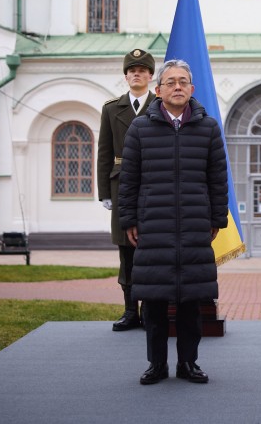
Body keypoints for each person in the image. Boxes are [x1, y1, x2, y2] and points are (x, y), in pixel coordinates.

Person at [117, 59, 230, 385]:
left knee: (191, 302)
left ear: (192, 89)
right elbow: (129, 179)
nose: (177, 87)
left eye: (183, 82)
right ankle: (156, 365)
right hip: (153, 226)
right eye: (171, 82)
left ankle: (188, 364)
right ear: (158, 90)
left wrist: (216, 219)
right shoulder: (140, 128)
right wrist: (128, 219)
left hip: (195, 227)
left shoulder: (207, 127)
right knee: (153, 304)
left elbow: (217, 178)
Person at [97, 48, 155, 331]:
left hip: (155, 185)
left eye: (142, 70)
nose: (137, 74)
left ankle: (152, 311)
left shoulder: (160, 105)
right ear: (125, 76)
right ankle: (131, 311)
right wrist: (104, 192)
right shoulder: (111, 108)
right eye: (132, 71)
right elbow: (104, 152)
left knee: (153, 250)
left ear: (150, 76)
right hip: (122, 186)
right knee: (127, 253)